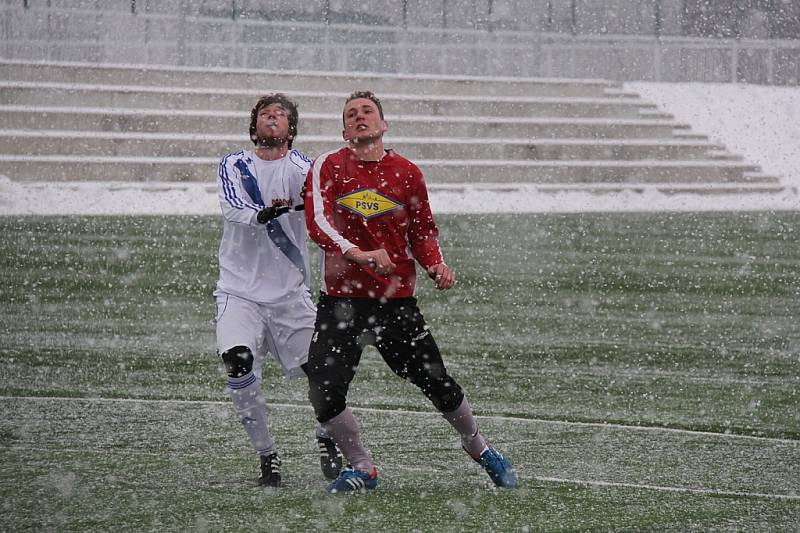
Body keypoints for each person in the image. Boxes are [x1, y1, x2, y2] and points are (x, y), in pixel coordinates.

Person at [304, 90, 518, 493]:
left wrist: (434, 262)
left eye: (367, 112)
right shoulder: (327, 166)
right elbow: (318, 223)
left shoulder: (407, 172)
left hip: (395, 303)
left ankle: (480, 446)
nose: (360, 118)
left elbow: (422, 231)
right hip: (341, 303)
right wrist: (360, 254)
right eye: (352, 114)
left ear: (384, 125)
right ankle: (363, 468)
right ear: (344, 129)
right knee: (323, 387)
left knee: (437, 382)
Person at [214, 94, 342, 487]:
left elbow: (322, 206)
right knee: (237, 361)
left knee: (321, 373)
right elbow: (233, 206)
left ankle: (328, 436)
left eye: (281, 115)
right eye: (265, 114)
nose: (273, 118)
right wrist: (264, 213)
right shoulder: (234, 163)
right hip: (239, 291)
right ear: (254, 127)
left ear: (292, 128)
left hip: (289, 294)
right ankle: (267, 454)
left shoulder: (304, 168)